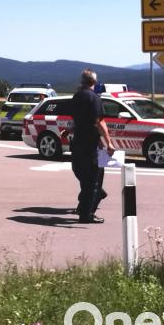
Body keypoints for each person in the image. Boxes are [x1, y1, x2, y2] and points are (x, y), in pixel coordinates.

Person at [69, 69, 113, 224]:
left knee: (85, 177)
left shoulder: (76, 96)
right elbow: (99, 121)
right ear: (94, 82)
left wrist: (69, 130)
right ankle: (87, 214)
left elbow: (77, 120)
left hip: (78, 142)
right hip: (92, 144)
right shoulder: (94, 98)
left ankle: (84, 207)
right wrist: (109, 142)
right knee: (95, 179)